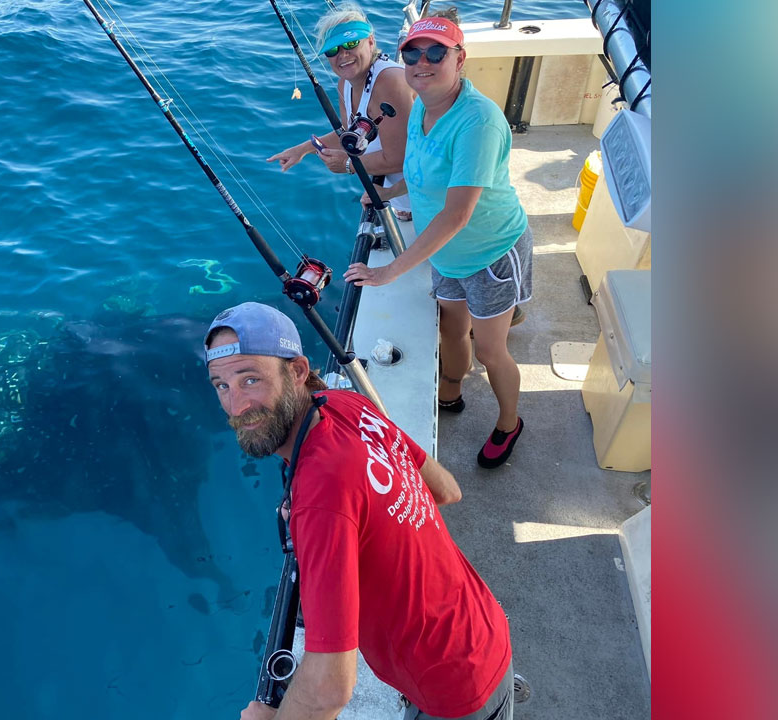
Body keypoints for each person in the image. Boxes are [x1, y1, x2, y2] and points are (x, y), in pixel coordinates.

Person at [203, 302, 514, 720]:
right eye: (221, 386)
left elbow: (329, 688)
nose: (237, 405)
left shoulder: (320, 497)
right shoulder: (346, 405)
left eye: (250, 379)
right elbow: (446, 489)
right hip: (482, 624)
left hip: (454, 689)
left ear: (297, 372)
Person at [343, 15, 532, 468]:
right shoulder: (422, 107)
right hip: (445, 254)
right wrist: (387, 193)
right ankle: (451, 386)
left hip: (489, 253)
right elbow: (418, 170)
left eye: (435, 52)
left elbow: (457, 214)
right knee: (450, 328)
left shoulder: (478, 122)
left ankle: (509, 422)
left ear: (459, 59)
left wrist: (390, 270)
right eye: (412, 53)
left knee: (490, 350)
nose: (421, 62)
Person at [266, 3, 413, 220]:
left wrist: (348, 164)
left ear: (371, 41)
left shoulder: (389, 82)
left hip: (428, 196)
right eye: (333, 50)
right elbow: (350, 132)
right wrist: (303, 149)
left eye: (351, 43)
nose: (343, 54)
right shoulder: (345, 84)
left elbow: (400, 158)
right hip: (401, 197)